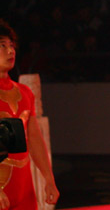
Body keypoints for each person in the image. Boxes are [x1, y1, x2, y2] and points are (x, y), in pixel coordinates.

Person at [0, 19, 59, 210]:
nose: (10, 51)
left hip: (23, 188)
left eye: (11, 46)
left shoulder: (25, 93)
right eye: (2, 46)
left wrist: (49, 179)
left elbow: (34, 139)